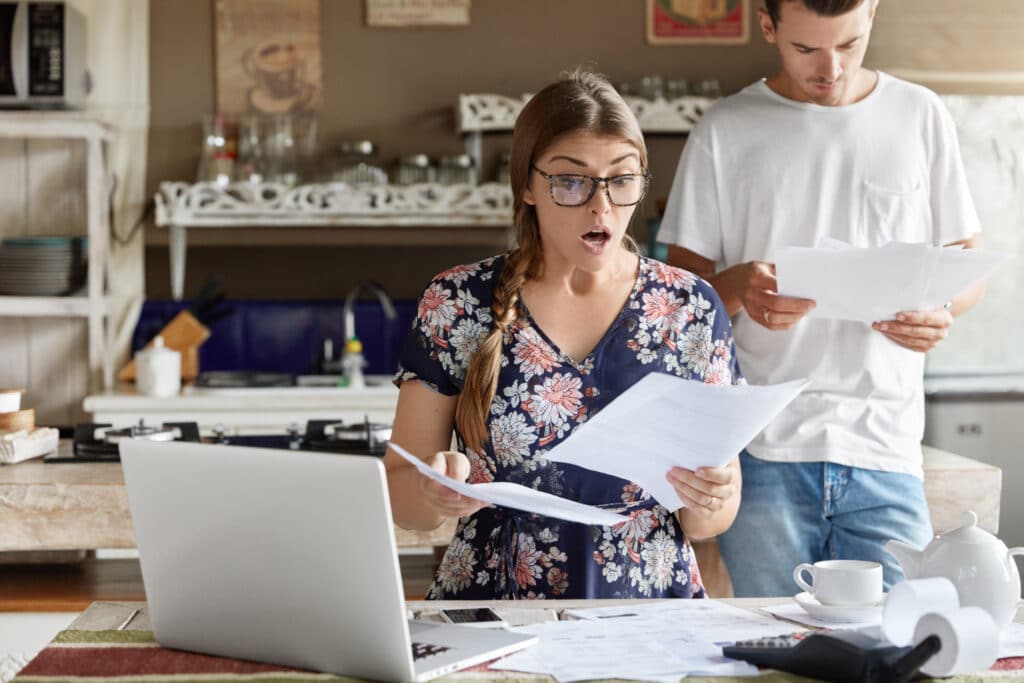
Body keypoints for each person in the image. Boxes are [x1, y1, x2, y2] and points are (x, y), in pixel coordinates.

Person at [658, 0, 986, 597]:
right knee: (778, 652)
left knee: (896, 644)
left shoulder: (920, 115)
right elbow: (681, 295)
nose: (829, 69)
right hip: (762, 449)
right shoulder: (725, 127)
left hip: (885, 443)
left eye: (849, 44)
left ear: (872, 17)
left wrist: (941, 310)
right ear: (768, 27)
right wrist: (739, 287)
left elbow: (968, 265)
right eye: (806, 49)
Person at [383, 70, 743, 600]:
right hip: (495, 607)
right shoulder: (457, 301)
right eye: (571, 181)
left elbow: (708, 520)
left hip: (650, 613)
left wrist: (714, 497)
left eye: (621, 179)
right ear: (527, 185)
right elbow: (399, 495)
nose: (602, 206)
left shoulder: (690, 307)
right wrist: (432, 491)